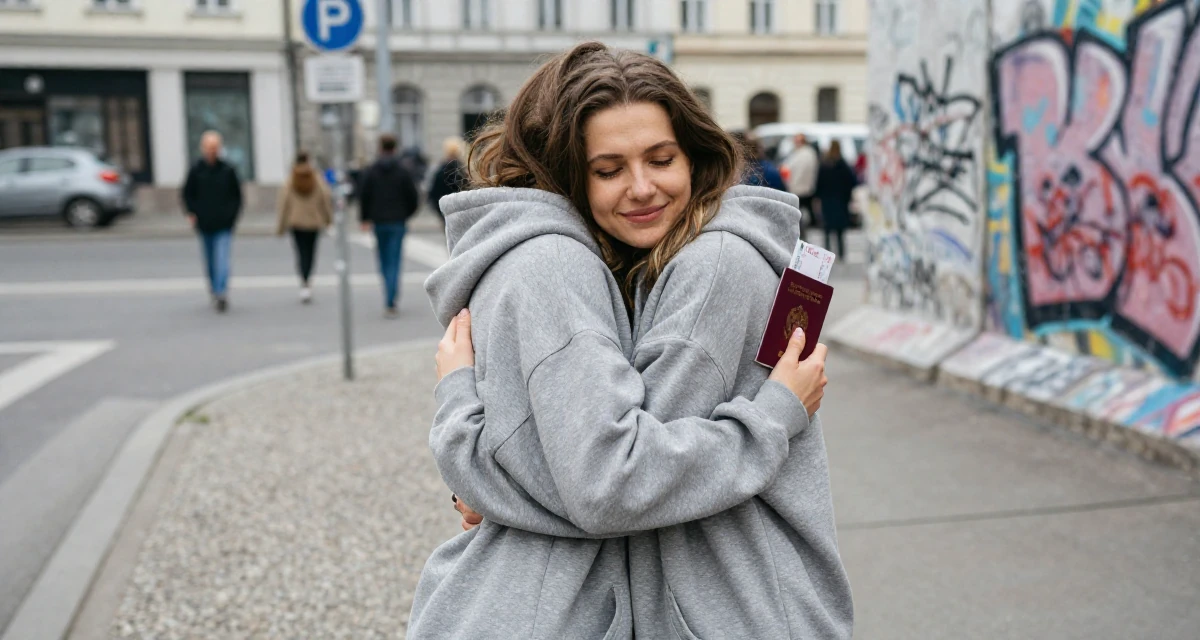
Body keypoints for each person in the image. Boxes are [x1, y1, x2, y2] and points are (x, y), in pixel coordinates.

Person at [412, 42, 851, 639]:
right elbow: (595, 476)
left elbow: (614, 489)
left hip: (740, 610)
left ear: (694, 156)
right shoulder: (603, 264)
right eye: (608, 170)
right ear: (568, 174)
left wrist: (468, 442)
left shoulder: (711, 268)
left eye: (661, 159)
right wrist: (482, 456)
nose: (642, 188)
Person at [359, 134, 420, 317]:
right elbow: (413, 197)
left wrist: (365, 218)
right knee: (394, 260)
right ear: (395, 148)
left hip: (379, 221)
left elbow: (364, 195)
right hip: (397, 221)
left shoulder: (371, 170)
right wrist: (405, 214)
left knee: (384, 260)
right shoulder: (403, 171)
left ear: (380, 148)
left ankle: (388, 295)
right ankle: (391, 299)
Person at [182, 130, 242, 313]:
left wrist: (231, 217)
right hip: (205, 223)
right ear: (203, 148)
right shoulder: (196, 170)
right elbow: (187, 194)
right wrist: (191, 213)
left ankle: (221, 292)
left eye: (215, 147)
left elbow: (237, 197)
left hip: (223, 224)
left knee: (222, 258)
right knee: (210, 260)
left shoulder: (227, 170)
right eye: (209, 147)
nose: (212, 151)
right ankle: (214, 289)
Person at [276, 151, 332, 303]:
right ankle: (308, 280)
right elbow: (325, 198)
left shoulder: (291, 179)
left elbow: (284, 204)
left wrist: (280, 226)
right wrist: (328, 219)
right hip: (313, 222)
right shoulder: (316, 178)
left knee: (300, 252)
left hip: (296, 222)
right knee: (311, 252)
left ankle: (303, 280)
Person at [815, 139, 859, 258]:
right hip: (840, 200)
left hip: (827, 200)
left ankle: (827, 253)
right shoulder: (843, 164)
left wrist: (818, 197)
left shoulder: (824, 164)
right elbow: (853, 181)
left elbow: (818, 183)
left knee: (827, 228)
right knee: (840, 230)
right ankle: (841, 253)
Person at [784, 132, 820, 240]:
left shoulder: (804, 154)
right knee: (800, 217)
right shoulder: (807, 153)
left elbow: (793, 171)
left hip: (800, 189)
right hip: (803, 188)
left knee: (798, 217)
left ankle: (801, 239)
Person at [427, 137, 466, 222]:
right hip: (462, 209)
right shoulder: (464, 170)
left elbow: (434, 192)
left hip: (445, 209)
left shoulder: (441, 170)